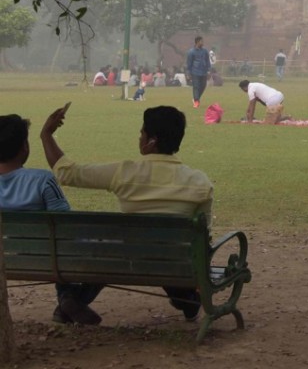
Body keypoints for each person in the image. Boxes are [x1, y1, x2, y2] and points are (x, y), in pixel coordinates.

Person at [39, 104, 214, 322]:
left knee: (106, 247)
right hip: (176, 265)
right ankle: (187, 300)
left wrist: (46, 135)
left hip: (127, 259)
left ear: (152, 141)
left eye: (142, 133)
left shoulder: (124, 173)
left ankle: (71, 299)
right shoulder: (200, 182)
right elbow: (203, 235)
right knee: (166, 253)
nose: (139, 137)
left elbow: (67, 173)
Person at [0, 113, 103, 325]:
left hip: (7, 256)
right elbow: (65, 225)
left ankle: (67, 301)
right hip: (48, 256)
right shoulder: (42, 180)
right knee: (102, 251)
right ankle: (69, 298)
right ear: (24, 148)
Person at [186, 35, 212, 109]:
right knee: (196, 87)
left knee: (203, 86)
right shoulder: (191, 52)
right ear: (197, 42)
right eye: (201, 41)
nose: (203, 43)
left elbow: (207, 61)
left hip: (203, 72)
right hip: (195, 72)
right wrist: (188, 73)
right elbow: (189, 63)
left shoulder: (205, 51)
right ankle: (196, 101)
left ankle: (195, 98)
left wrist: (209, 70)